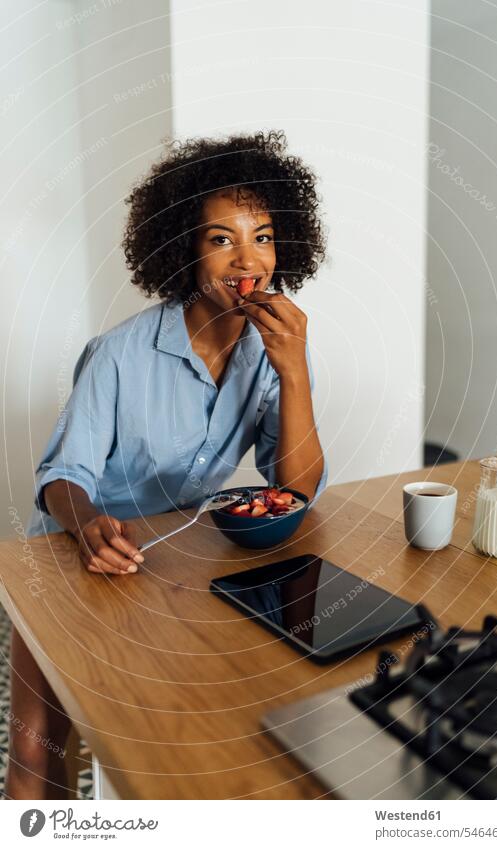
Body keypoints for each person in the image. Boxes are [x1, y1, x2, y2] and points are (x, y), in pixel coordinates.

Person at [6, 129, 327, 798]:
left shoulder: (273, 351)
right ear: (183, 247)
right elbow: (63, 475)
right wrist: (88, 520)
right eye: (221, 239)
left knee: (177, 740)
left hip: (177, 559)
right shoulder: (120, 353)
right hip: (74, 555)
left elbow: (294, 491)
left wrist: (293, 371)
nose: (248, 260)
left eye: (263, 237)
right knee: (37, 752)